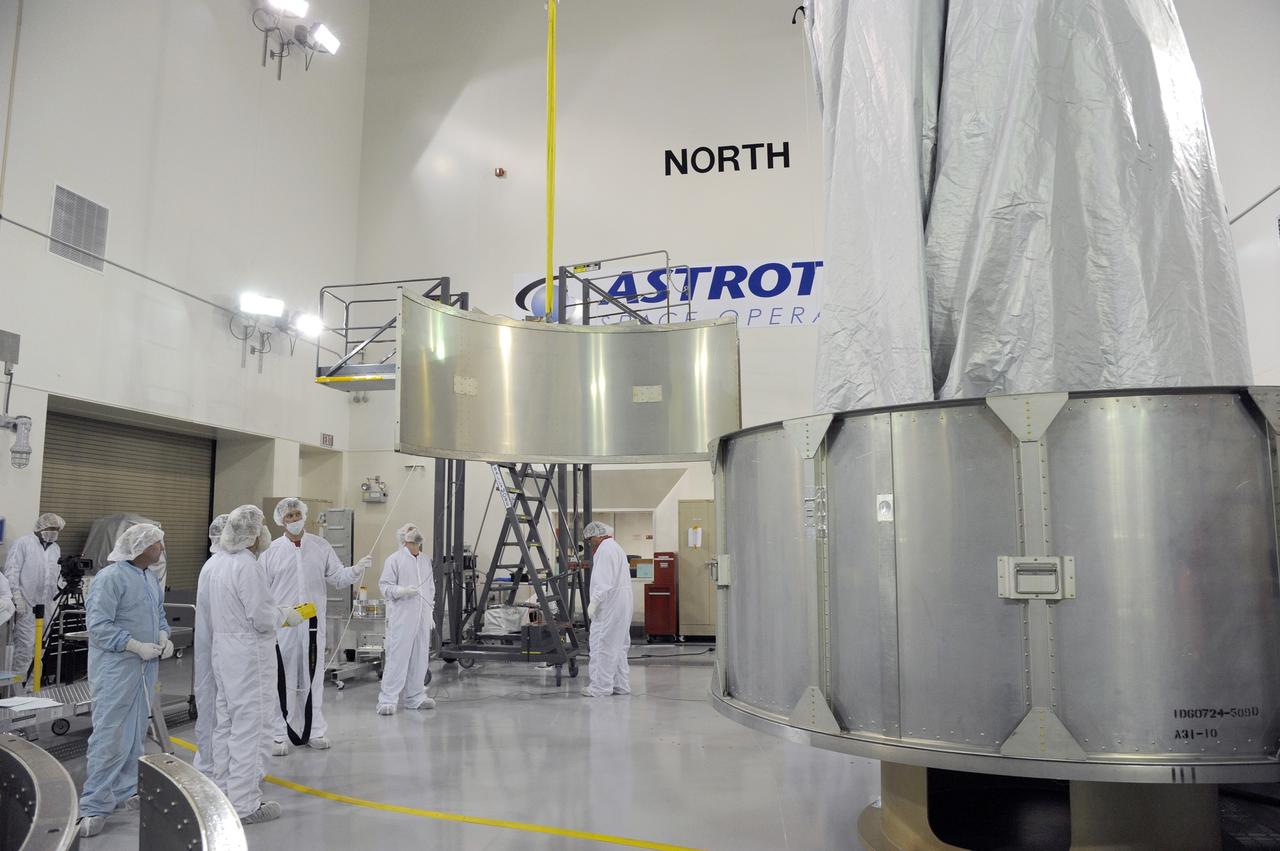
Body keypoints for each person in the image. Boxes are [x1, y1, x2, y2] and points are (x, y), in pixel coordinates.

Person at [77, 524, 172, 838]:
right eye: (157, 543)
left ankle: (125, 789)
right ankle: (94, 804)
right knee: (110, 734)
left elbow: (158, 613)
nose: (161, 548)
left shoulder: (148, 578)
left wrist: (163, 635)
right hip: (117, 668)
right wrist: (133, 645)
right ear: (141, 548)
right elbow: (99, 626)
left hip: (144, 669)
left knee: (134, 733)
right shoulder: (111, 578)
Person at [205, 504, 297, 825]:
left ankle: (222, 791)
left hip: (225, 651)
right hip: (249, 655)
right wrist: (285, 615)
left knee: (227, 723)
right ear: (253, 533)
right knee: (252, 727)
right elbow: (260, 617)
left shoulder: (219, 563)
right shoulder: (246, 565)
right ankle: (244, 804)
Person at [260, 497, 370, 753]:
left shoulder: (320, 546)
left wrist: (356, 570)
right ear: (281, 521)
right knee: (282, 678)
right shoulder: (270, 552)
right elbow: (262, 592)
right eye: (289, 516)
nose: (295, 519)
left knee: (313, 675)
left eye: (297, 514)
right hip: (284, 625)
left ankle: (314, 730)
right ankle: (278, 733)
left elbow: (338, 578)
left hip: (312, 624)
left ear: (305, 516)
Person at [376, 523, 436, 715]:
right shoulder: (394, 560)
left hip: (422, 617)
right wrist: (401, 591)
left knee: (420, 657)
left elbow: (431, 589)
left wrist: (430, 612)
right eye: (410, 529)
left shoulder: (425, 560)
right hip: (402, 618)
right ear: (403, 537)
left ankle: (415, 697)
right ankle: (387, 699)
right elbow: (384, 586)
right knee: (398, 658)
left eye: (416, 528)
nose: (415, 530)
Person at [3, 513, 64, 689]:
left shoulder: (55, 548)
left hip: (46, 606)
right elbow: (12, 571)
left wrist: (57, 600)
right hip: (27, 605)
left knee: (41, 649)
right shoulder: (24, 543)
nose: (53, 532)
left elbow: (57, 575)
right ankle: (16, 691)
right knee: (25, 648)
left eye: (57, 529)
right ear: (40, 527)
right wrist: (16, 597)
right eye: (50, 528)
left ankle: (32, 688)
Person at [192, 514, 228, 780]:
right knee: (217, 707)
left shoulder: (216, 564)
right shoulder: (222, 566)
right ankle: (213, 766)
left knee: (214, 706)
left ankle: (211, 763)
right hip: (223, 647)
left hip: (218, 646)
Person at [581, 521, 633, 698]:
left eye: (589, 540)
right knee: (618, 646)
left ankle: (600, 687)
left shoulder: (604, 550)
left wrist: (593, 603)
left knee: (601, 645)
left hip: (609, 606)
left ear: (597, 535)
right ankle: (620, 685)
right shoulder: (616, 547)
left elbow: (603, 582)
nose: (590, 545)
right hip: (623, 604)